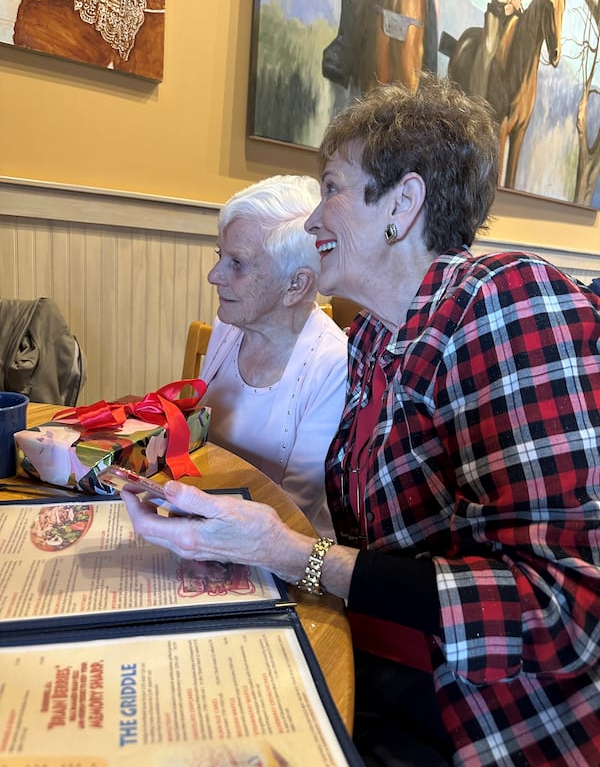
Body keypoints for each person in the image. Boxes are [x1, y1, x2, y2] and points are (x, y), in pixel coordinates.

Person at [123, 74, 600, 766]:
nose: (314, 221)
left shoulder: (503, 302)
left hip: (480, 715)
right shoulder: (377, 335)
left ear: (402, 204)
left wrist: (288, 554)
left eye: (332, 189)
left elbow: (562, 610)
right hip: (385, 653)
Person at [198, 175, 348, 539]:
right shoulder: (230, 327)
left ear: (295, 285)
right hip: (205, 524)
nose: (213, 275)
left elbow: (293, 512)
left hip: (282, 555)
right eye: (221, 256)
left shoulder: (333, 366)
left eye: (237, 263)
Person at [472, 0, 525, 98]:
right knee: (489, 47)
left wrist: (515, 1)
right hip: (498, 9)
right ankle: (478, 95)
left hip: (514, 10)